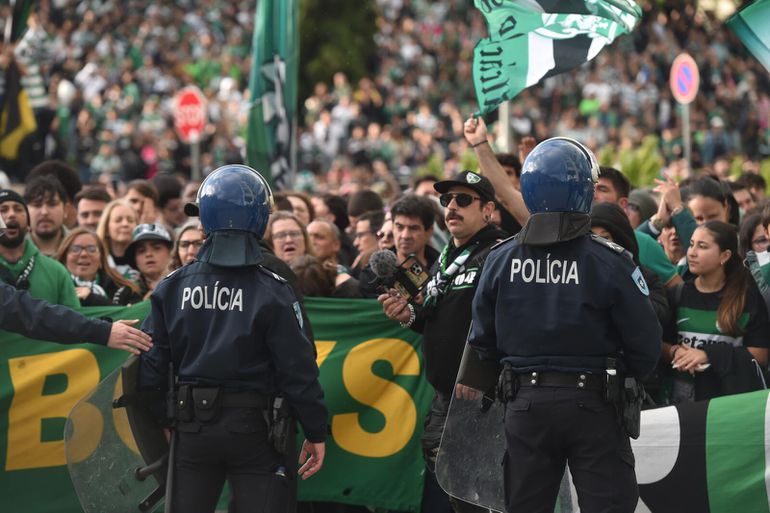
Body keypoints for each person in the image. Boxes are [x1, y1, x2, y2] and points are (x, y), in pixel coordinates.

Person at [468, 136, 660, 513]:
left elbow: (481, 340)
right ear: (584, 191)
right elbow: (646, 345)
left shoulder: (500, 258)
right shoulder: (610, 261)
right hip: (595, 404)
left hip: (524, 406)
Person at [138, 164, 327, 513]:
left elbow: (151, 364)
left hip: (190, 428)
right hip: (257, 432)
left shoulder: (172, 286)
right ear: (259, 218)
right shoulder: (274, 289)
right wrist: (316, 430)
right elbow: (299, 369)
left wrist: (163, 421)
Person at [378, 170, 507, 513]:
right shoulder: (446, 256)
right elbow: (436, 320)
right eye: (447, 200)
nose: (452, 207)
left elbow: (506, 323)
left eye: (463, 200)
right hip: (445, 397)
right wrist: (406, 314)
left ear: (488, 210)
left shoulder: (500, 252)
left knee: (479, 499)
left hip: (484, 398)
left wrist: (479, 374)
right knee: (454, 492)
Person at [663, 221, 769, 403]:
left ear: (725, 255)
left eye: (702, 246)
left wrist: (708, 354)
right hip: (681, 399)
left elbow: (760, 355)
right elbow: (658, 343)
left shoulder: (746, 297)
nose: (692, 253)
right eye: (691, 244)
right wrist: (674, 352)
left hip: (730, 400)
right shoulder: (677, 295)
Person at [0, 189, 80, 307]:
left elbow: (75, 320)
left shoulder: (56, 271)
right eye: (3, 209)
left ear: (28, 224)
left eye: (18, 209)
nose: (11, 214)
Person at [55, 227, 143, 306]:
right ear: (64, 257)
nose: (84, 254)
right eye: (75, 249)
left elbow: (133, 315)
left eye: (91, 249)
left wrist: (92, 298)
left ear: (101, 258)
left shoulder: (124, 289)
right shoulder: (55, 287)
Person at [24, 175, 71, 257]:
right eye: (37, 205)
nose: (44, 212)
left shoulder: (79, 245)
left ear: (66, 209)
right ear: (25, 211)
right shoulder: (13, 250)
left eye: (52, 204)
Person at [125, 223, 174, 299]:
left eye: (156, 248)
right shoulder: (127, 293)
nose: (148, 254)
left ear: (171, 252)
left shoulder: (183, 284)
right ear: (135, 259)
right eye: (141, 250)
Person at [97, 199, 140, 280]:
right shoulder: (98, 262)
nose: (125, 224)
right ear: (106, 229)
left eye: (130, 220)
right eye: (118, 220)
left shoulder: (144, 260)